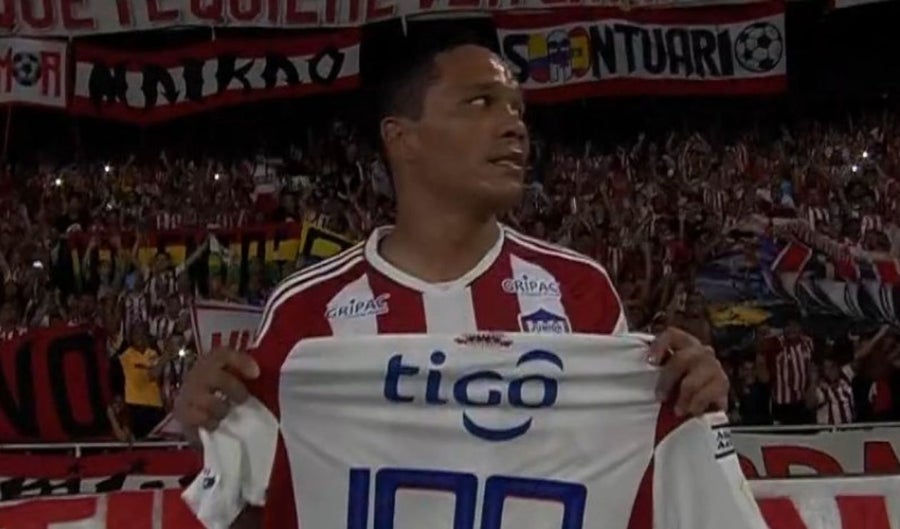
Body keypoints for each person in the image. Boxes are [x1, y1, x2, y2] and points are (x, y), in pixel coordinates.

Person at [176, 36, 734, 529]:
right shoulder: (307, 310)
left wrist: (690, 395)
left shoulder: (579, 291)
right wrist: (206, 430)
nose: (514, 125)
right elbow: (258, 510)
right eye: (480, 103)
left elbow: (629, 478)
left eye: (517, 108)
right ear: (402, 137)